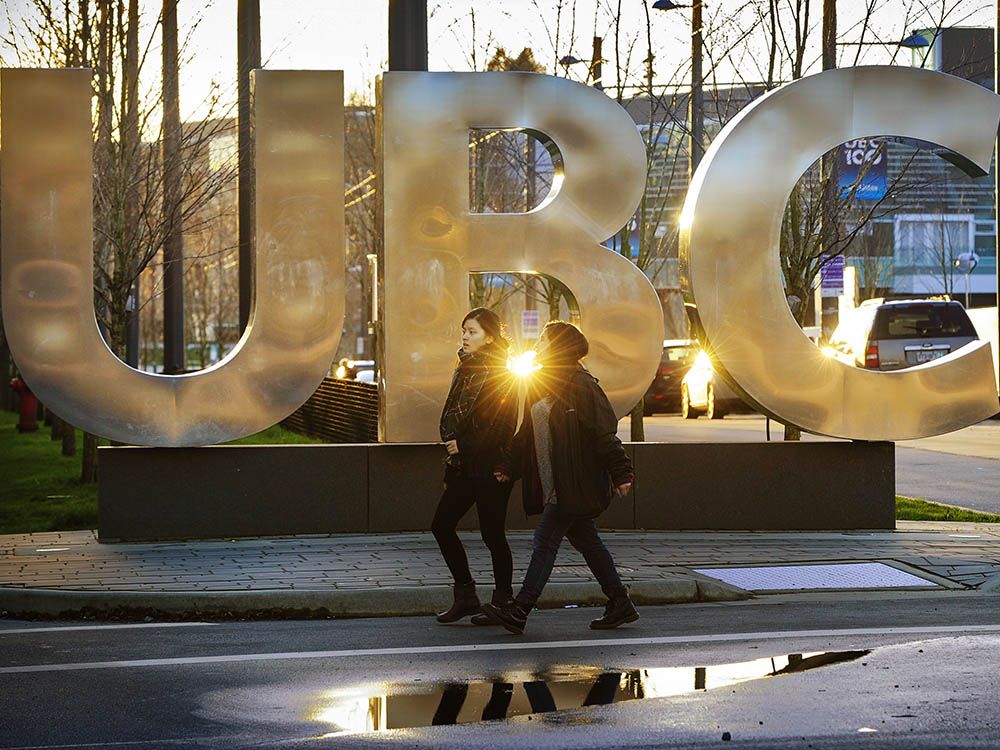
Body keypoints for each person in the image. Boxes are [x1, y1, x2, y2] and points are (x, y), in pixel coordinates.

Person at [484, 321, 638, 634]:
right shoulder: (541, 380)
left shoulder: (581, 384)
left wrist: (621, 471)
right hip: (554, 481)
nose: (538, 342)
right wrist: (508, 465)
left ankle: (520, 609)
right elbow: (527, 432)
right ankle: (620, 602)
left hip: (573, 482)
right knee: (588, 541)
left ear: (559, 346)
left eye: (544, 338)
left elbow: (604, 429)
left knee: (545, 542)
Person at [432, 307, 518, 624]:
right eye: (464, 331)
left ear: (490, 337)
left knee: (492, 535)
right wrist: (453, 461)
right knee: (441, 525)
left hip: (491, 466)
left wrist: (464, 446)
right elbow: (456, 418)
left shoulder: (501, 373)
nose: (466, 337)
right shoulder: (465, 369)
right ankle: (467, 595)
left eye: (473, 332)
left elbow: (503, 425)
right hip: (464, 466)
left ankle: (503, 602)